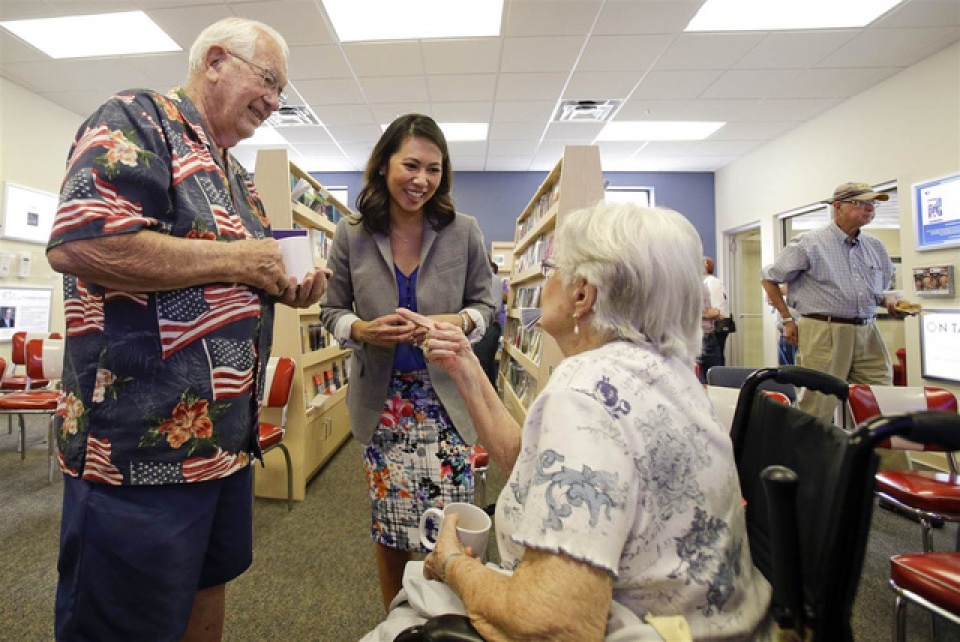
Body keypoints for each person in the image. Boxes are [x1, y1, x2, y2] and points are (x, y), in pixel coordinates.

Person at [364, 203, 772, 641]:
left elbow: (553, 624)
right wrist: (464, 363)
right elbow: (538, 463)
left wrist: (452, 564)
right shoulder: (668, 372)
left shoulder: (584, 393)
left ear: (582, 294)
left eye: (552, 268)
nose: (544, 281)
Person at [45, 17, 328, 641]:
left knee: (206, 590)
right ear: (217, 61)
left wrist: (290, 285)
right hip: (137, 453)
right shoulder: (136, 120)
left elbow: (235, 279)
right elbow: (81, 242)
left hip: (221, 447)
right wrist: (238, 258)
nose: (276, 102)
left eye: (283, 91)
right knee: (123, 622)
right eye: (270, 80)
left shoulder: (235, 174)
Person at [319, 113, 497, 612]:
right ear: (383, 167)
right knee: (391, 529)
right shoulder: (350, 234)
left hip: (448, 403)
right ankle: (397, 621)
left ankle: (451, 622)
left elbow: (487, 306)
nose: (421, 180)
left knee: (452, 529)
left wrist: (456, 322)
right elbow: (330, 310)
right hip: (384, 405)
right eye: (411, 165)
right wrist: (360, 330)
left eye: (434, 169)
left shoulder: (463, 231)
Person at [761, 181, 904, 423]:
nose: (870, 208)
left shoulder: (875, 246)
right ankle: (809, 460)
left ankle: (885, 461)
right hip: (823, 331)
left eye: (873, 204)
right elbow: (769, 279)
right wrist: (787, 320)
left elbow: (878, 292)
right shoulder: (810, 243)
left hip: (868, 332)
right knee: (816, 407)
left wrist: (892, 303)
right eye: (862, 203)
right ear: (837, 206)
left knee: (881, 402)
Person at [471, 259, 503, 387]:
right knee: (486, 367)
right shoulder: (485, 279)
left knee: (482, 366)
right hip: (483, 327)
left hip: (487, 328)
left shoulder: (492, 279)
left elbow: (493, 308)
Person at [702, 256, 730, 358]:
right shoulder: (703, 282)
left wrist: (708, 313)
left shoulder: (712, 282)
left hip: (716, 327)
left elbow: (715, 310)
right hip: (709, 326)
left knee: (715, 359)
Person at [697, 281, 724, 383]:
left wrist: (714, 313)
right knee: (699, 382)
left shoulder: (703, 285)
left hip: (710, 336)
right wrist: (706, 313)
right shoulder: (684, 284)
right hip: (697, 339)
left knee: (717, 379)